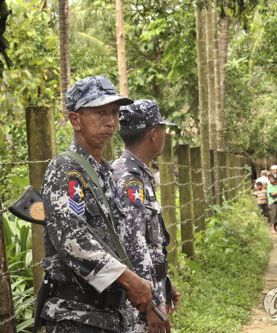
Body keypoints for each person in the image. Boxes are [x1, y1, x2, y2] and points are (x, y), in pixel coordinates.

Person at [40, 76, 153, 332]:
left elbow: (118, 240)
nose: (110, 121)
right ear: (75, 120)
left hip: (111, 315)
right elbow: (71, 238)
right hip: (78, 317)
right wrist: (127, 278)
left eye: (114, 112)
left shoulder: (104, 172)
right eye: (100, 112)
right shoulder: (67, 169)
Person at [112, 99, 180, 333]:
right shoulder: (130, 178)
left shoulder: (136, 173)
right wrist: (152, 304)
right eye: (162, 129)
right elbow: (133, 242)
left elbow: (151, 243)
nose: (163, 134)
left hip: (148, 291)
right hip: (139, 303)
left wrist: (165, 282)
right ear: (153, 134)